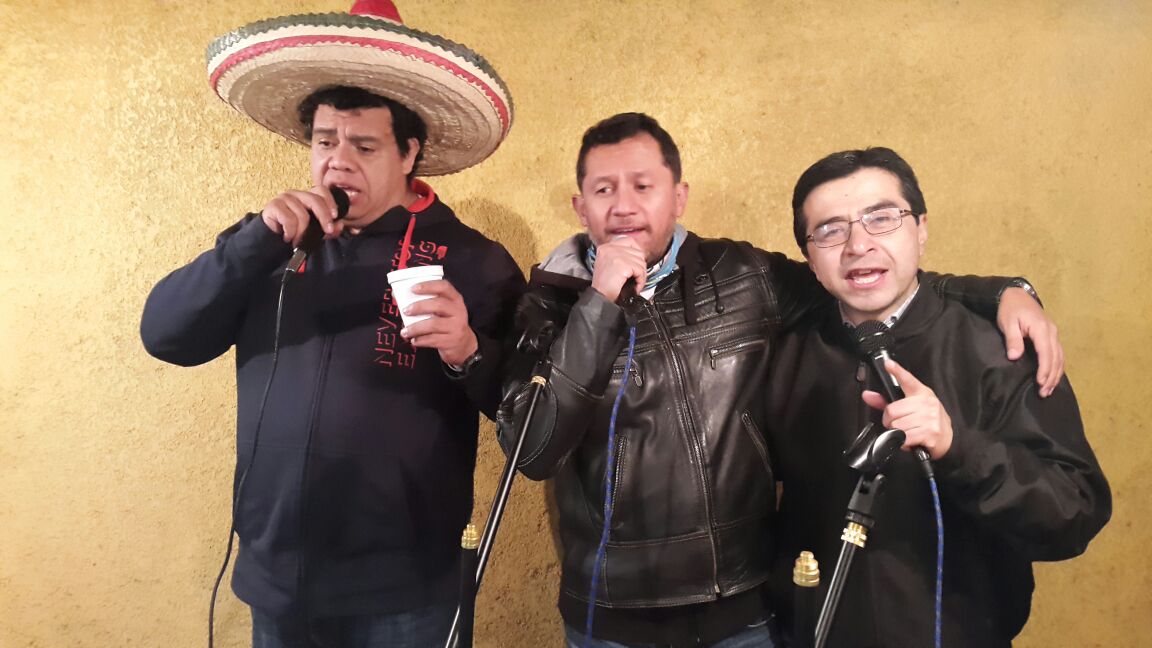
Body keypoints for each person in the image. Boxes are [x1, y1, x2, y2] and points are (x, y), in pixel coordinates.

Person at [497, 113, 1064, 648]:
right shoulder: (547, 306)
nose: (624, 206)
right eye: (604, 189)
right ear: (580, 206)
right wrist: (598, 304)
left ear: (679, 197)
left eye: (643, 186)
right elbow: (535, 452)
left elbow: (865, 278)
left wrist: (1001, 291)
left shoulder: (744, 276)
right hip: (611, 615)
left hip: (746, 608)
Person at [140, 1, 524, 646]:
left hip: (407, 589)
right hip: (279, 580)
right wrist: (254, 244)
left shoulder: (473, 259)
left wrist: (468, 349)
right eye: (324, 141)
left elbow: (525, 414)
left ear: (409, 153)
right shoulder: (267, 244)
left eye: (364, 146)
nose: (337, 162)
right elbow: (166, 337)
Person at [766, 147, 1111, 647]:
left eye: (882, 218)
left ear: (921, 229)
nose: (859, 244)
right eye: (831, 230)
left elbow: (1072, 516)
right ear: (809, 257)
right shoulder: (785, 350)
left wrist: (958, 447)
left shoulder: (1002, 346)